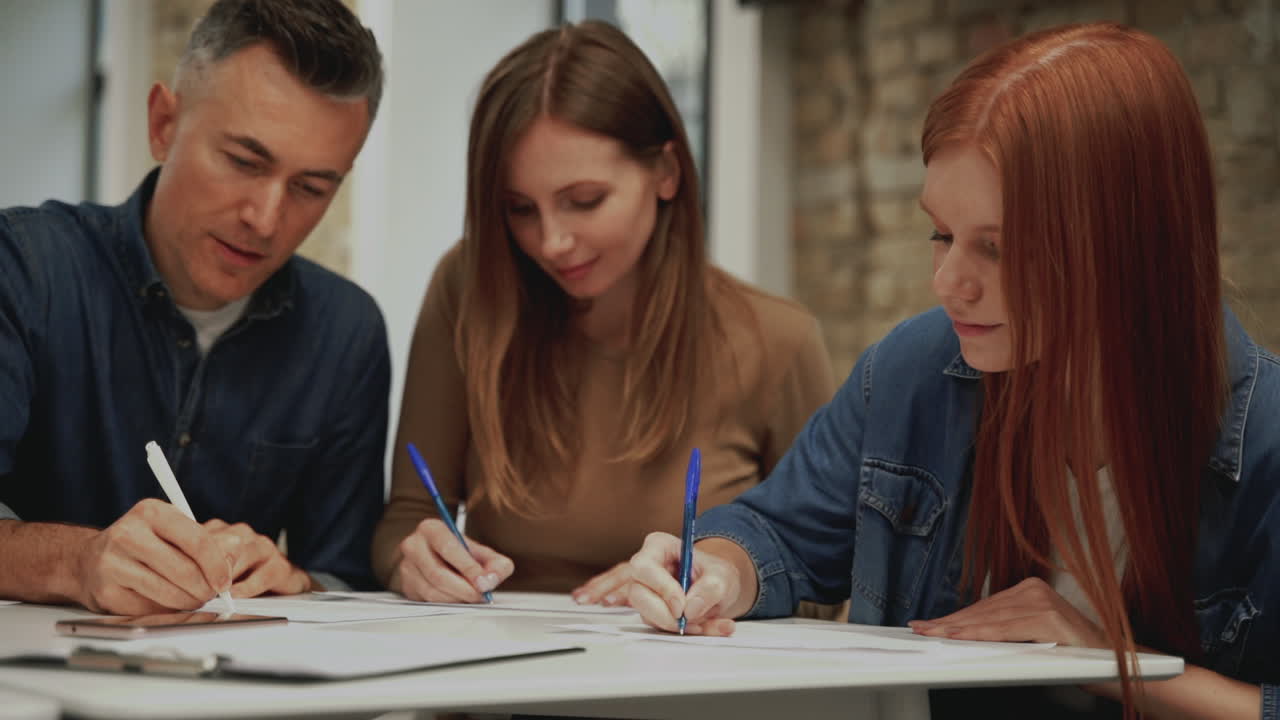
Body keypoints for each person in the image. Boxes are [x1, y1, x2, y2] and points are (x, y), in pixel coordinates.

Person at [628, 22, 1278, 719]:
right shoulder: (913, 372)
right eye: (941, 233)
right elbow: (777, 535)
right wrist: (716, 572)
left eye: (998, 248)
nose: (948, 282)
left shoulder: (1263, 443)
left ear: (1127, 245)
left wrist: (1109, 661)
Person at [371, 21, 835, 609]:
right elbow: (406, 520)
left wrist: (719, 584)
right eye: (519, 209)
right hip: (500, 686)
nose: (552, 242)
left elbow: (824, 576)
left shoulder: (777, 342)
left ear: (666, 172)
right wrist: (415, 561)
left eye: (584, 201)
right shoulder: (470, 289)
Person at [0, 0, 389, 616]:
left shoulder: (346, 332)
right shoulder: (25, 268)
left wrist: (294, 580)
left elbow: (345, 579)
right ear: (163, 123)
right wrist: (76, 561)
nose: (265, 219)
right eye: (243, 161)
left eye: (310, 188)